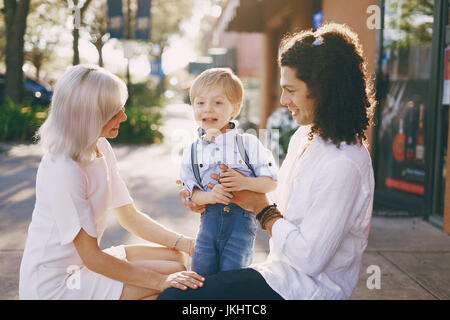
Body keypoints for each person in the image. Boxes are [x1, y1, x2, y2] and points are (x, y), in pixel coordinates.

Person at [159, 23, 376, 300]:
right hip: (279, 275)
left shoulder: (344, 164)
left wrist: (262, 208)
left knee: (175, 300)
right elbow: (277, 200)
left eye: (291, 90)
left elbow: (309, 259)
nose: (283, 100)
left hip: (308, 291)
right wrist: (211, 197)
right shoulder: (305, 137)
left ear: (323, 90)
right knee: (177, 287)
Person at [19, 64, 204, 300]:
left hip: (83, 264)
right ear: (89, 116)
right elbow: (92, 257)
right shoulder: (63, 169)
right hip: (56, 283)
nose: (124, 117)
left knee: (177, 258)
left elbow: (129, 216)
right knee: (172, 283)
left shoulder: (99, 146)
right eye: (115, 112)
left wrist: (186, 243)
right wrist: (160, 282)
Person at [180, 68, 278, 276]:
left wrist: (245, 182)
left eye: (218, 102)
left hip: (240, 228)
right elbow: (190, 191)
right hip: (208, 228)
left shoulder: (248, 143)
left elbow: (271, 181)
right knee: (201, 277)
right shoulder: (192, 150)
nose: (208, 109)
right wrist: (210, 196)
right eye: (200, 103)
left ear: (234, 109)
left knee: (231, 281)